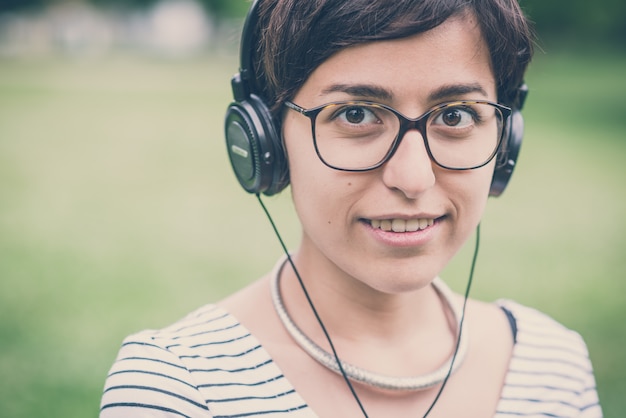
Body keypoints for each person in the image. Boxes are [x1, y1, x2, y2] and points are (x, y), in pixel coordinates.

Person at [100, 0, 603, 416]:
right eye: (356, 114)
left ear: (505, 140)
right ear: (267, 139)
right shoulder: (177, 386)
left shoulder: (553, 366)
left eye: (455, 115)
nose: (412, 179)